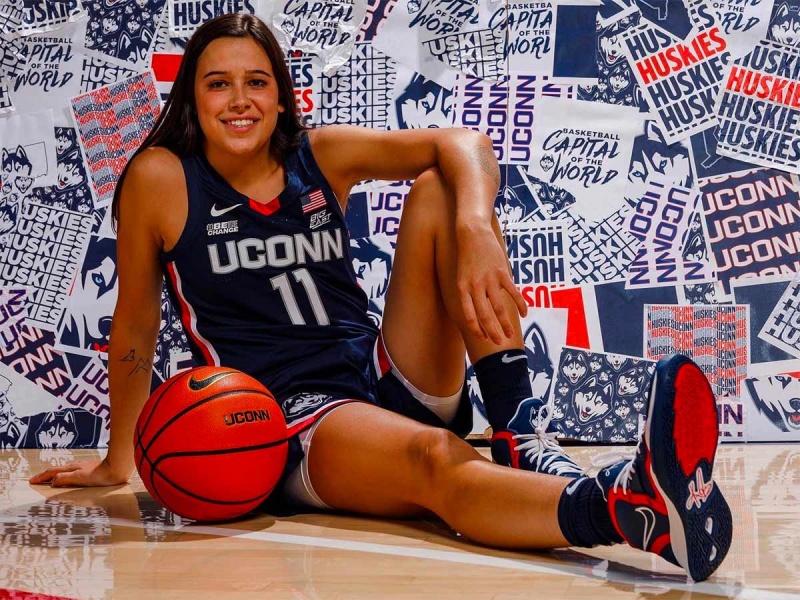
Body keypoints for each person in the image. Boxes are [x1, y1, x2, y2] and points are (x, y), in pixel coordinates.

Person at [29, 14, 732, 582]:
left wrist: (476, 223)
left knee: (440, 186)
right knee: (435, 464)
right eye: (218, 84)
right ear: (193, 97)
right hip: (292, 419)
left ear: (280, 95)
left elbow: (462, 142)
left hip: (382, 374)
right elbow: (135, 324)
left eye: (256, 82)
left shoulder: (319, 154)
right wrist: (118, 460)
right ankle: (628, 508)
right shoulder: (161, 177)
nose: (239, 99)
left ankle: (521, 437)